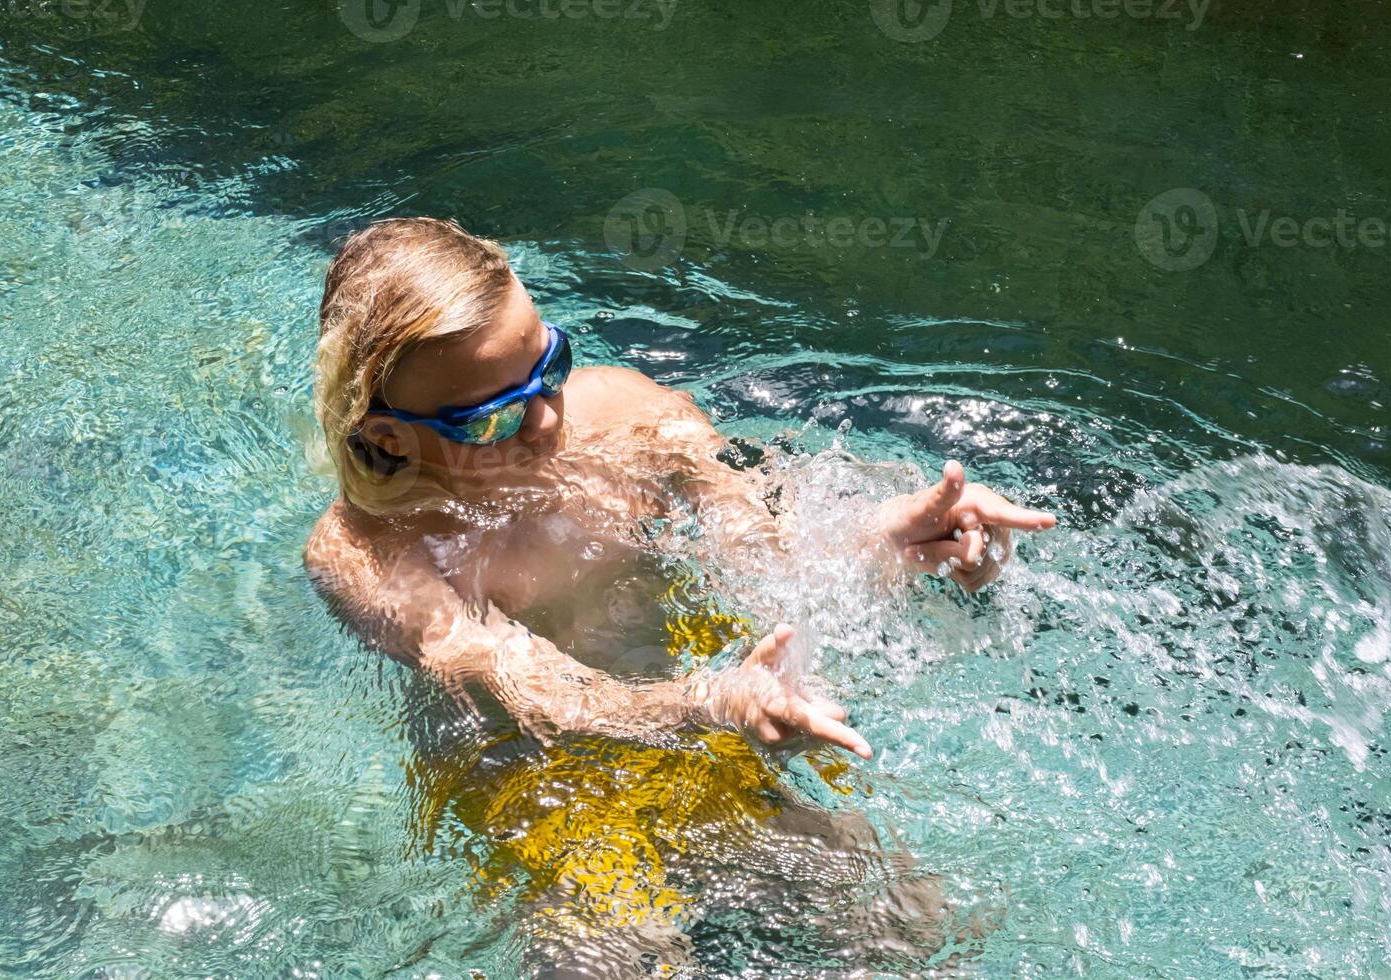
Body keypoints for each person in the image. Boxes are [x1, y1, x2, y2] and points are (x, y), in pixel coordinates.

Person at [304, 217, 1056, 973]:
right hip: (541, 800)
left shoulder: (628, 414)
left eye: (551, 366)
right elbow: (538, 700)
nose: (547, 421)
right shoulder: (371, 552)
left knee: (915, 932)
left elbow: (765, 549)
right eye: (493, 416)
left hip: (705, 750)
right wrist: (709, 703)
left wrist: (892, 538)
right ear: (392, 437)